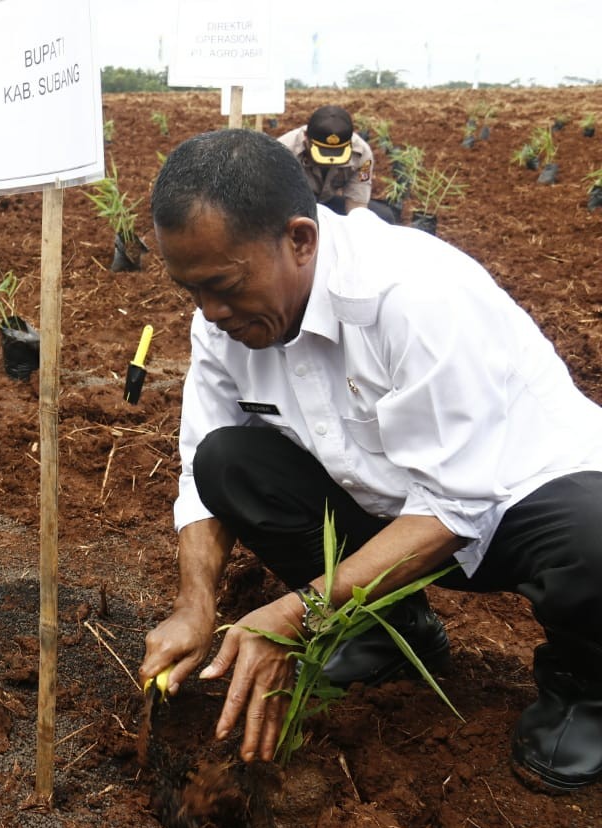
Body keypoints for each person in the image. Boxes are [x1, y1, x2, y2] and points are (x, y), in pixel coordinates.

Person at [139, 128, 602, 793]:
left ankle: (585, 691)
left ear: (300, 239)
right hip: (388, 507)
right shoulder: (226, 318)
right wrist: (195, 602)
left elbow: (455, 504)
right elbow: (200, 467)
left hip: (511, 505)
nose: (210, 313)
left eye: (222, 286)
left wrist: (297, 613)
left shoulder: (412, 294)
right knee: (227, 461)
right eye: (191, 291)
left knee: (595, 530)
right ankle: (386, 633)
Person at [276, 105, 374, 216]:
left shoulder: (361, 154)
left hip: (328, 201)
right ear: (306, 138)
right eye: (324, 152)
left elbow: (357, 205)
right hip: (292, 204)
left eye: (336, 152)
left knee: (383, 215)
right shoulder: (283, 152)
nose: (329, 161)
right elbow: (278, 203)